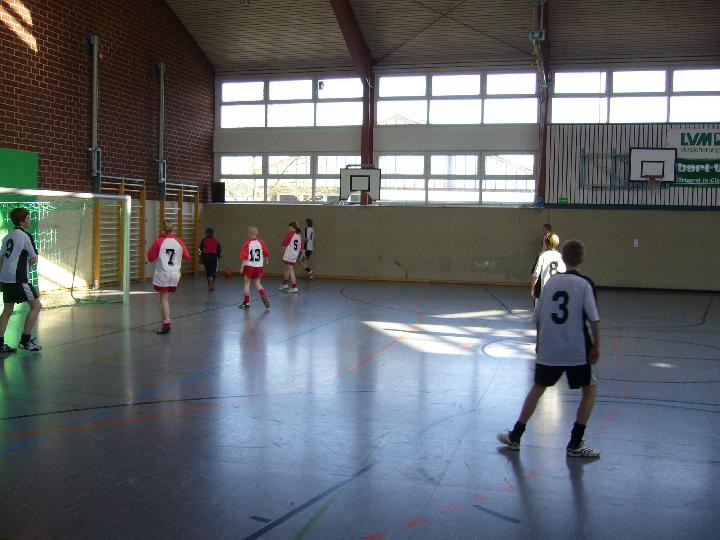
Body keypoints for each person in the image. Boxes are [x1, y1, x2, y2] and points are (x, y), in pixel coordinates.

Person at [498, 239, 601, 458]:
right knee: (590, 391)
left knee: (538, 388)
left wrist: (539, 342)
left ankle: (515, 436)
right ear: (582, 259)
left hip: (550, 348)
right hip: (577, 350)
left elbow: (538, 317)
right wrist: (597, 345)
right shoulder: (585, 284)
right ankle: (575, 443)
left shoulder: (551, 284)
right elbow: (594, 318)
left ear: (563, 257)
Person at [0, 208, 43, 354]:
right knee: (36, 305)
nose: (30, 220)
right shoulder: (26, 236)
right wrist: (26, 267)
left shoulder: (7, 237)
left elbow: (1, 259)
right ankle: (25, 341)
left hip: (5, 277)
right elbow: (34, 258)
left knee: (7, 309)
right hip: (18, 278)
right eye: (28, 218)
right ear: (22, 221)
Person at [147, 221, 191, 334]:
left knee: (163, 299)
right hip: (175, 274)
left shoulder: (159, 241)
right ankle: (165, 323)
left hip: (163, 273)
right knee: (165, 298)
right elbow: (187, 256)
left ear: (162, 229)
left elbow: (150, 258)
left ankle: (166, 324)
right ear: (172, 229)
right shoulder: (179, 241)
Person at [239, 226, 270, 310]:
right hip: (258, 266)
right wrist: (266, 261)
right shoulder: (261, 242)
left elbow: (244, 256)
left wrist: (241, 267)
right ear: (257, 233)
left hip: (249, 266)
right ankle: (263, 296)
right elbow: (266, 253)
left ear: (248, 234)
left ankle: (246, 302)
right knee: (258, 284)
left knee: (247, 283)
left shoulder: (247, 243)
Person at [531, 233, 565, 307]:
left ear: (546, 243)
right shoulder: (560, 256)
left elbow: (536, 274)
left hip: (544, 289)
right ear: (557, 243)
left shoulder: (543, 255)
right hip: (556, 290)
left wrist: (533, 288)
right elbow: (563, 273)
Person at [530, 223, 553, 300]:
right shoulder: (546, 236)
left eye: (544, 229)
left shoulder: (548, 236)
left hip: (544, 254)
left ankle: (536, 286)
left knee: (536, 270)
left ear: (547, 229)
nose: (543, 230)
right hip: (544, 253)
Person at [278, 221, 302, 293]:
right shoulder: (298, 235)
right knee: (288, 269)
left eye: (289, 227)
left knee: (290, 269)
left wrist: (282, 253)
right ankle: (285, 284)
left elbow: (284, 244)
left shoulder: (291, 234)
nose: (289, 228)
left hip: (289, 254)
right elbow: (301, 246)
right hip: (294, 254)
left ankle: (294, 287)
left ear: (292, 227)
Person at [199, 227, 222, 292]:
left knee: (208, 271)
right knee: (213, 271)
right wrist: (218, 256)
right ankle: (212, 282)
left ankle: (209, 282)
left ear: (206, 233)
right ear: (213, 233)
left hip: (205, 257)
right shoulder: (216, 240)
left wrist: (200, 257)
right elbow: (219, 249)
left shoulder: (203, 240)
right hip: (213, 257)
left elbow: (200, 249)